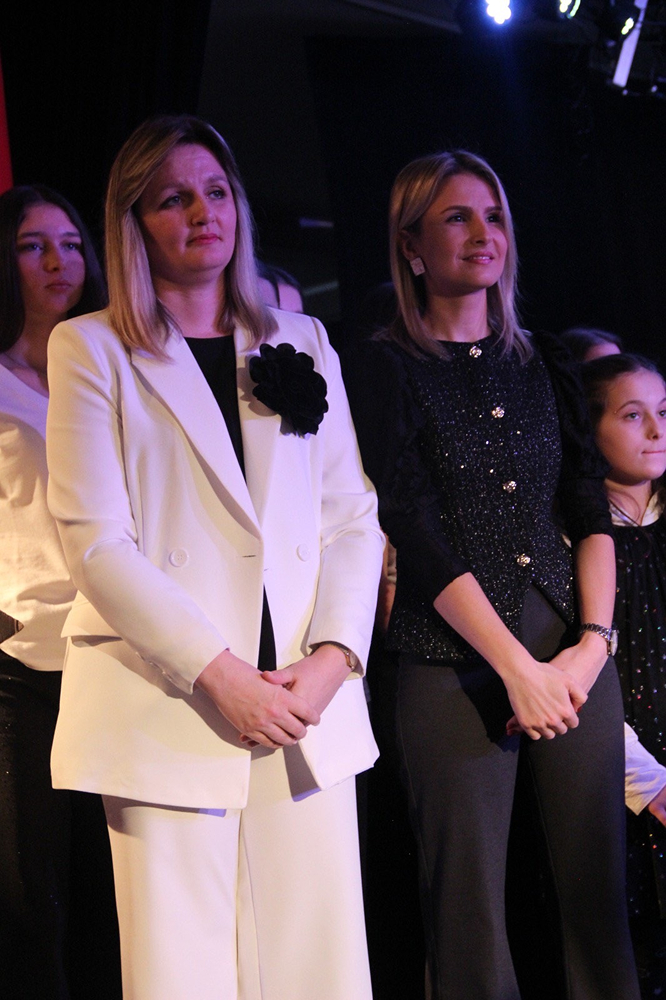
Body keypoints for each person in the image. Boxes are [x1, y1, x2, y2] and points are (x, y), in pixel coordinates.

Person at [45, 115, 384, 1000]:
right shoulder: (90, 348)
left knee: (317, 971)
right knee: (181, 973)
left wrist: (332, 662)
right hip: (171, 704)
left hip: (303, 707)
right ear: (134, 222)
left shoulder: (300, 340)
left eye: (216, 191)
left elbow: (352, 517)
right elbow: (96, 542)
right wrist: (220, 675)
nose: (203, 213)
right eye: (173, 198)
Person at [344, 150, 640, 1000]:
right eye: (457, 217)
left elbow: (589, 509)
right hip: (450, 655)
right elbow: (414, 527)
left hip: (571, 644)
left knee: (596, 900)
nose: (484, 234)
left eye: (495, 215)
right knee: (467, 911)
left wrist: (591, 646)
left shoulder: (545, 358)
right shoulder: (386, 365)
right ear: (411, 246)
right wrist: (516, 668)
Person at [0, 185, 121, 1000]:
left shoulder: (113, 372)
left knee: (116, 893)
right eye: (33, 245)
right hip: (20, 657)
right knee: (30, 895)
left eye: (72, 243)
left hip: (115, 651)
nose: (58, 261)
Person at [582, 353, 666, 997]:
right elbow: (584, 674)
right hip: (626, 776)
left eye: (663, 412)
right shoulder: (579, 539)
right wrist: (648, 781)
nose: (656, 431)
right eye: (633, 415)